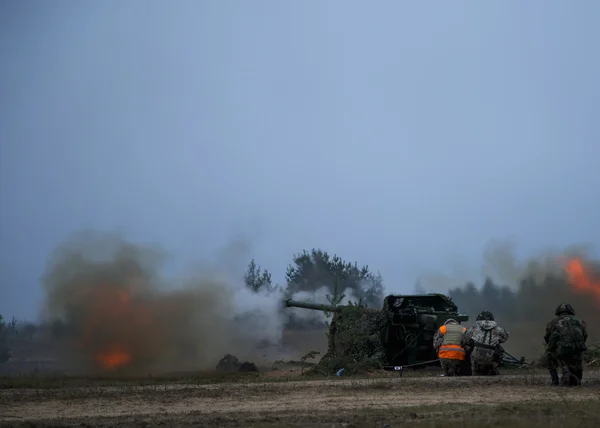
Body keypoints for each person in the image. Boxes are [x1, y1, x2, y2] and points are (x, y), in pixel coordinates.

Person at [544, 303, 588, 386]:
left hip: (561, 350)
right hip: (578, 349)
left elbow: (547, 337)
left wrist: (553, 348)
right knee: (577, 363)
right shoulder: (580, 321)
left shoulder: (553, 322)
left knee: (549, 356)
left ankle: (555, 381)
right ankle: (577, 380)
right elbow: (585, 335)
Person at [463, 310, 509, 375]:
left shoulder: (474, 327)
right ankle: (494, 368)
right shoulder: (497, 328)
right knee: (500, 350)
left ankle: (469, 372)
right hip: (491, 356)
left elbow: (465, 338)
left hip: (476, 355)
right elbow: (505, 337)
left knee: (467, 349)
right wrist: (497, 339)